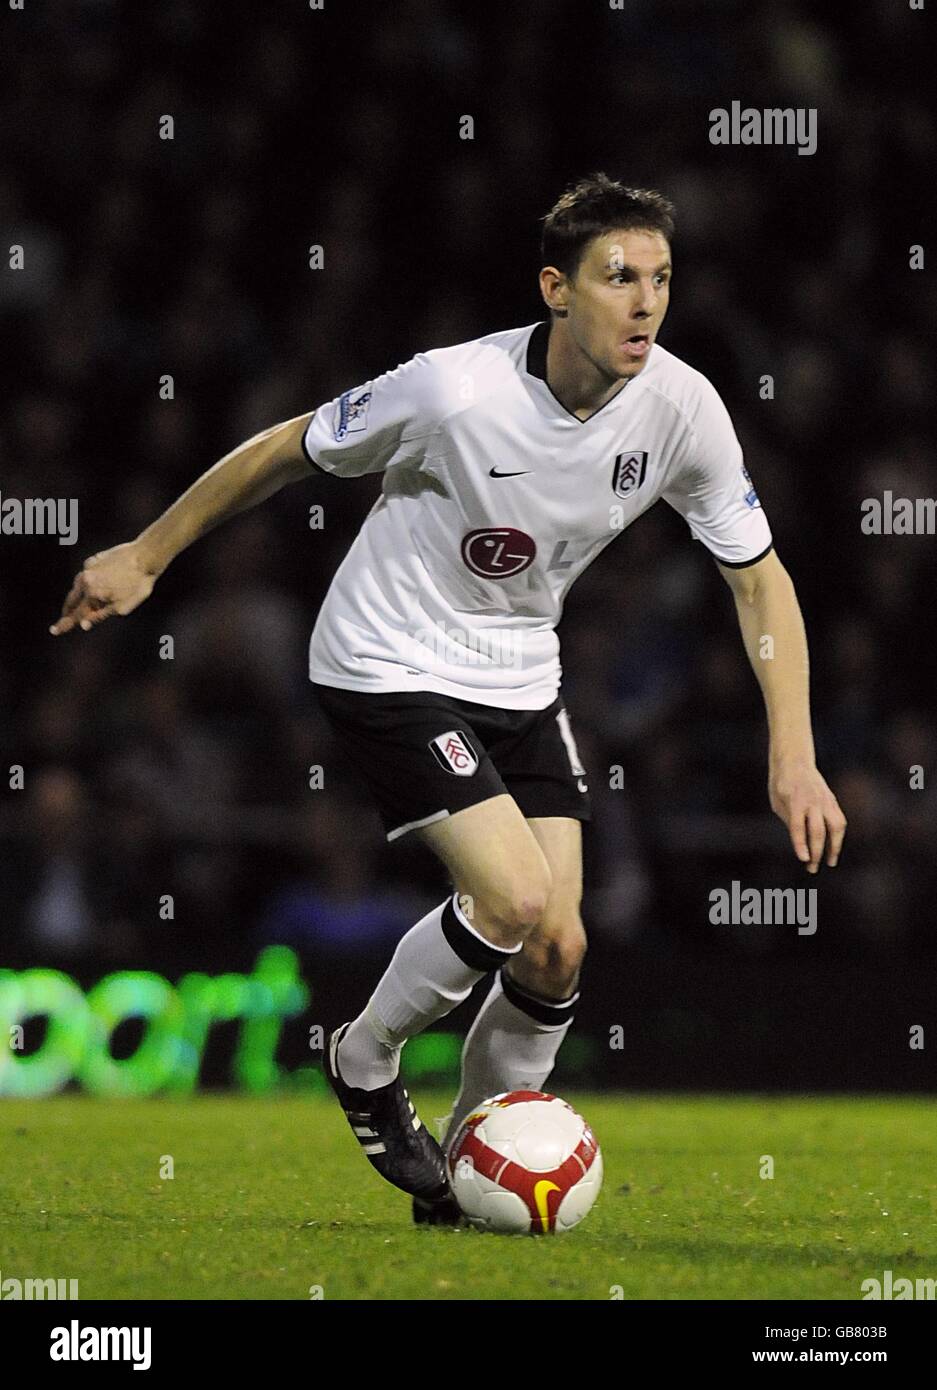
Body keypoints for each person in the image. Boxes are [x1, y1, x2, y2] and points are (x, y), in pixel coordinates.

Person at [51, 173, 847, 1225]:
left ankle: (468, 1179)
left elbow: (761, 578)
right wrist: (148, 556)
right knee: (514, 900)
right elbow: (288, 447)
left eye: (659, 277)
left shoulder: (683, 410)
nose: (645, 300)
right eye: (619, 277)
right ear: (555, 289)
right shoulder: (453, 390)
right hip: (386, 657)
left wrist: (791, 753)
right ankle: (364, 1054)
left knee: (559, 946)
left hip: (519, 670)